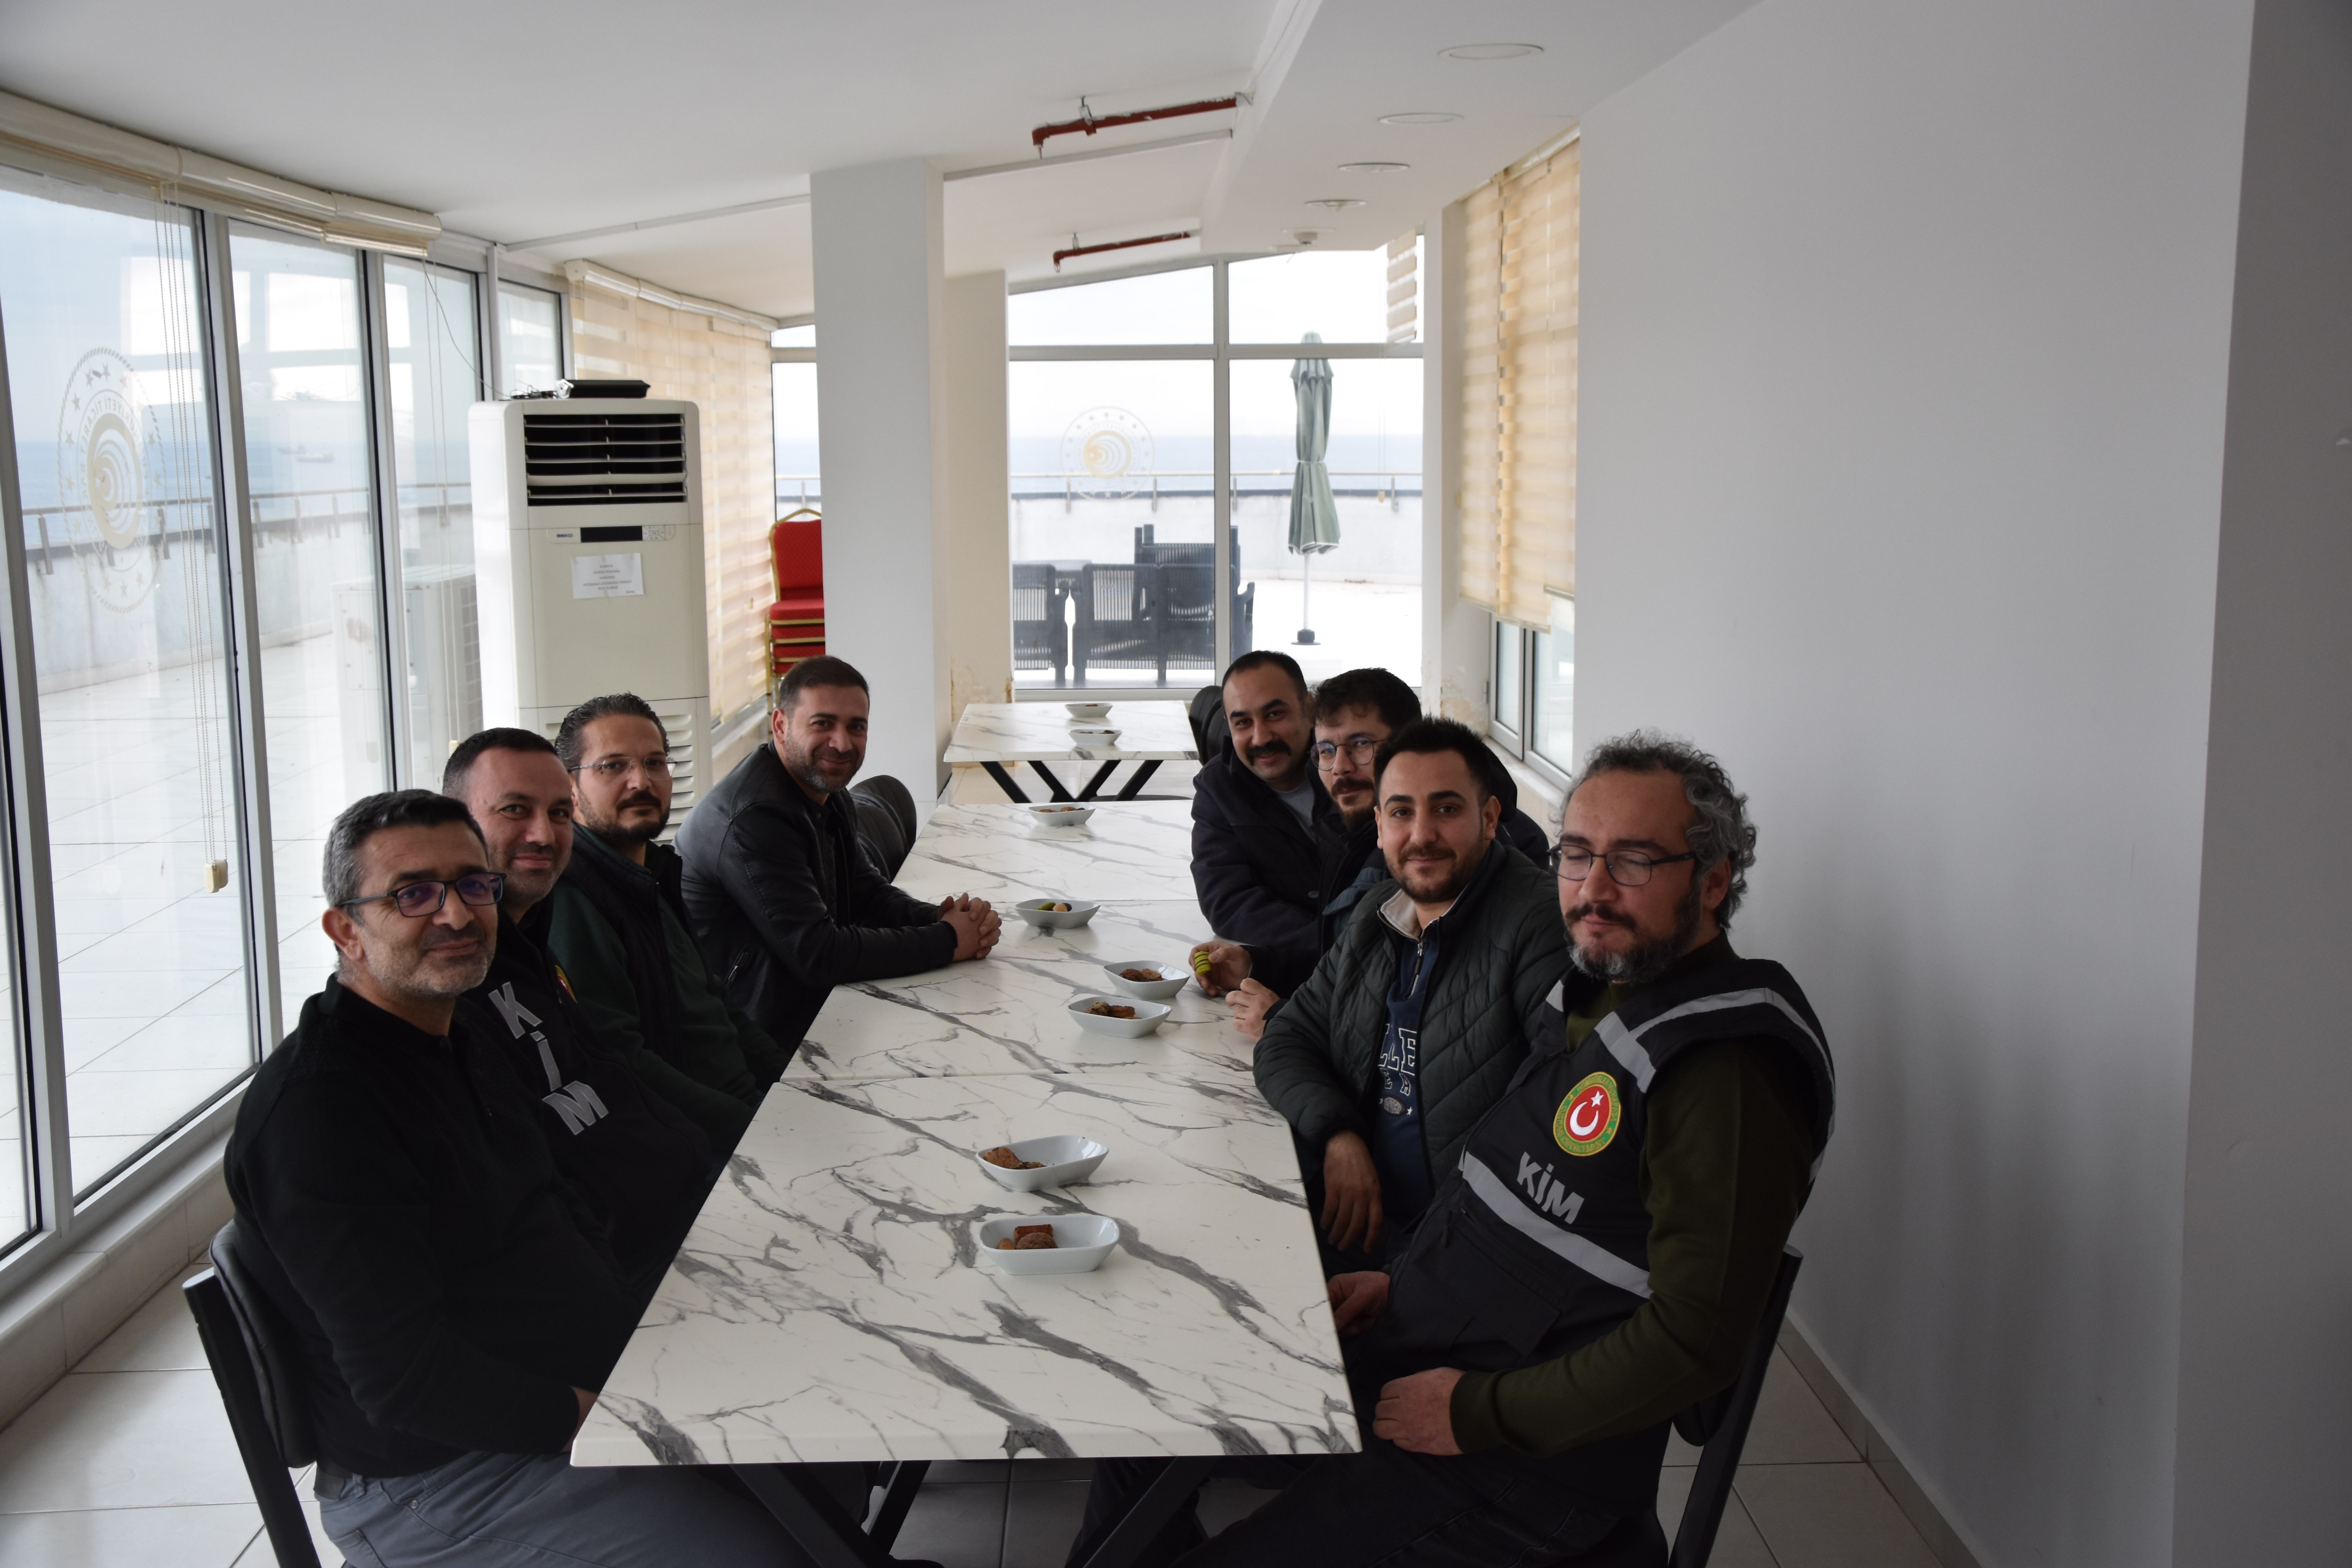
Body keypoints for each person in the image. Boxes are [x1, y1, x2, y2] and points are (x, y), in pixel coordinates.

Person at [1070, 731, 1835, 1568]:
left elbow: (1694, 1341)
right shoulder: (1597, 995)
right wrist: (1403, 1284)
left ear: (1714, 880)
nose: (1593, 888)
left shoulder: (1725, 1070)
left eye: (1635, 861)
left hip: (1514, 1468)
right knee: (1142, 1415)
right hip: (1429, 1345)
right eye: (1579, 855)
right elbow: (1522, 1202)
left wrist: (1476, 1412)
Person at [224, 791, 818, 1567]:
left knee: (817, 1448)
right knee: (771, 1552)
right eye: (413, 893)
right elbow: (406, 1381)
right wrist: (606, 1412)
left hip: (568, 1387)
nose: (456, 914)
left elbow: (560, 1205)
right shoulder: (324, 1113)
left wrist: (651, 1341)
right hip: (443, 1477)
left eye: (474, 884)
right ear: (346, 930)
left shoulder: (459, 1032)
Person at [1249, 718, 1571, 1270]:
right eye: (1401, 812)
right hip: (1358, 1228)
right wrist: (1339, 1134)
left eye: (1446, 809)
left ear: (1489, 818)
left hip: (1463, 1260)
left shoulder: (1540, 925)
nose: (1422, 835)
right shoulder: (1376, 915)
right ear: (1379, 826)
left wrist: (1409, 1275)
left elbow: (1552, 1139)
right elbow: (1286, 1039)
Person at [443, 728, 714, 1292]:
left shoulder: (534, 939)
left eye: (560, 813)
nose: (543, 834)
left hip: (689, 1221)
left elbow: (610, 1084)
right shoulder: (448, 986)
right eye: (514, 810)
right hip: (634, 1281)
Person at [1192, 668, 1552, 1039]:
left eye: (1361, 744)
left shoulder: (1426, 857)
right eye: (1327, 751)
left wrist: (1285, 1022)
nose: (1341, 767)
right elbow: (1363, 968)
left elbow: (1430, 1023)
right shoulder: (1349, 834)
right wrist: (1259, 965)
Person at [679, 655, 997, 1051]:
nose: (842, 743)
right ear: (780, 725)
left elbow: (866, 893)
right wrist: (947, 940)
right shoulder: (755, 817)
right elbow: (818, 953)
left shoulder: (824, 791)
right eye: (822, 724)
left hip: (812, 1011)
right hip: (751, 1043)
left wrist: (939, 917)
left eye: (856, 727)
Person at [544, 693, 790, 1152]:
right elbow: (624, 1064)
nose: (641, 781)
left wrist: (797, 1084)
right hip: (700, 1146)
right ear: (569, 787)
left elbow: (719, 1005)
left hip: (750, 1111)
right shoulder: (575, 899)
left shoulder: (651, 874)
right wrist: (758, 1130)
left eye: (655, 763)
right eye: (613, 766)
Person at [1188, 650, 1336, 996]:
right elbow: (1228, 901)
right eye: (1243, 722)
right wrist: (1332, 942)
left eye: (1275, 714)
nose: (1261, 737)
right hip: (1305, 972)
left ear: (1309, 708)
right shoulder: (1219, 787)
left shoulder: (1351, 774)